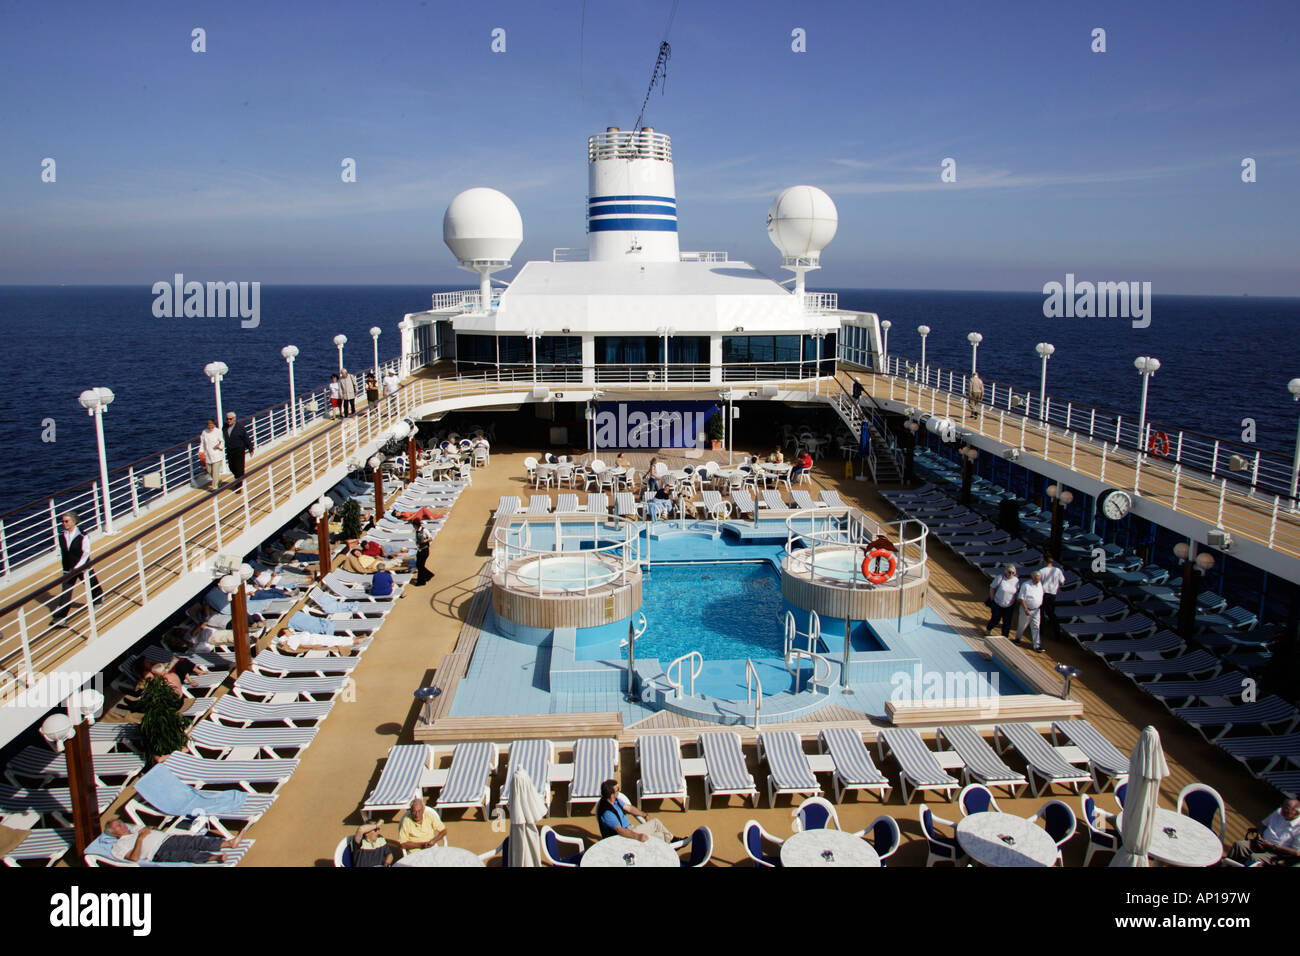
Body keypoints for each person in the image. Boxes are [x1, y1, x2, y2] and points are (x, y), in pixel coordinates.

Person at [104, 819, 242, 864]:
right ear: (114, 833)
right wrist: (140, 839)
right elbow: (133, 858)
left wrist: (147, 829)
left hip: (168, 839)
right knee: (187, 855)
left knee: (195, 841)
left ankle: (229, 843)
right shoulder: (119, 845)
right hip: (157, 852)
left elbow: (151, 828)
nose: (122, 825)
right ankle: (215, 857)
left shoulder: (136, 828)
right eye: (117, 826)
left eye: (120, 823)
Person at [53, 511, 102, 624]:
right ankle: (61, 617)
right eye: (62, 521)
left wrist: (79, 566)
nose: (64, 523)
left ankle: (98, 599)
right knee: (66, 591)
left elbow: (86, 552)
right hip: (68, 568)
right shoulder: (61, 536)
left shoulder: (82, 536)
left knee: (90, 583)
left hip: (82, 566)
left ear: (74, 521)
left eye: (66, 521)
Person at [595, 779, 676, 843]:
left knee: (660, 833)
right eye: (617, 789)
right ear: (611, 794)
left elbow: (629, 808)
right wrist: (638, 837)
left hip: (630, 829)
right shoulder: (607, 812)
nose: (619, 791)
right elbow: (620, 830)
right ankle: (673, 841)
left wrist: (644, 814)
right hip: (624, 836)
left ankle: (672, 840)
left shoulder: (615, 801)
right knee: (656, 825)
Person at [1229, 799, 1300, 866]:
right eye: (1283, 806)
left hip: (1276, 853)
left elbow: (1296, 852)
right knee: (1240, 845)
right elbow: (1263, 825)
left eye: (1286, 808)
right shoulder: (1278, 812)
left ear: (1296, 813)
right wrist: (1259, 837)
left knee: (1255, 858)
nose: (1282, 809)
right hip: (1261, 843)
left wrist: (1272, 846)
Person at [222, 411, 254, 492]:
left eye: (230, 419)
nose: (228, 420)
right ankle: (238, 478)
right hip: (229, 450)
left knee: (239, 468)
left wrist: (250, 448)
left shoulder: (240, 427)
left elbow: (246, 438)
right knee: (231, 466)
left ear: (234, 419)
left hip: (239, 449)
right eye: (227, 419)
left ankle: (239, 486)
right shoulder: (224, 427)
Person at [1015, 569, 1046, 651]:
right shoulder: (1026, 585)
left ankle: (1037, 645)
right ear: (1032, 578)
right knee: (1022, 625)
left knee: (1036, 627)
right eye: (1037, 579)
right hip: (1026, 609)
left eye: (1039, 579)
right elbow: (1021, 598)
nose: (1038, 581)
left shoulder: (1040, 584)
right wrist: (1025, 609)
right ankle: (1018, 638)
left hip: (1036, 610)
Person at [986, 564, 1019, 637]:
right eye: (1009, 572)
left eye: (1013, 573)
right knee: (995, 619)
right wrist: (992, 599)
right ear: (1006, 571)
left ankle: (1004, 636)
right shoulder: (1000, 578)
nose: (1011, 574)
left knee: (1007, 622)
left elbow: (1016, 592)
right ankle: (988, 629)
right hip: (997, 603)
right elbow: (992, 588)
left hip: (1009, 605)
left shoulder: (1016, 580)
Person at [1038, 555, 1065, 640]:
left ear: (1045, 561)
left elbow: (1037, 582)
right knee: (1051, 614)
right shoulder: (1057, 570)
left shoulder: (1041, 571)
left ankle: (1040, 631)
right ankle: (1057, 634)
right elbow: (1062, 582)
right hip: (1052, 594)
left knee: (1041, 613)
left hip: (1043, 593)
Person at [198, 418, 224, 489]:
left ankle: (214, 487)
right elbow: (202, 443)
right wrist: (200, 451)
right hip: (208, 455)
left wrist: (219, 446)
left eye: (211, 425)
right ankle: (218, 481)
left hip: (217, 455)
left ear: (214, 424)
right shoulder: (204, 432)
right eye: (209, 425)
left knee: (215, 472)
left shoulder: (218, 431)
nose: (210, 426)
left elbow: (222, 441)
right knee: (210, 471)